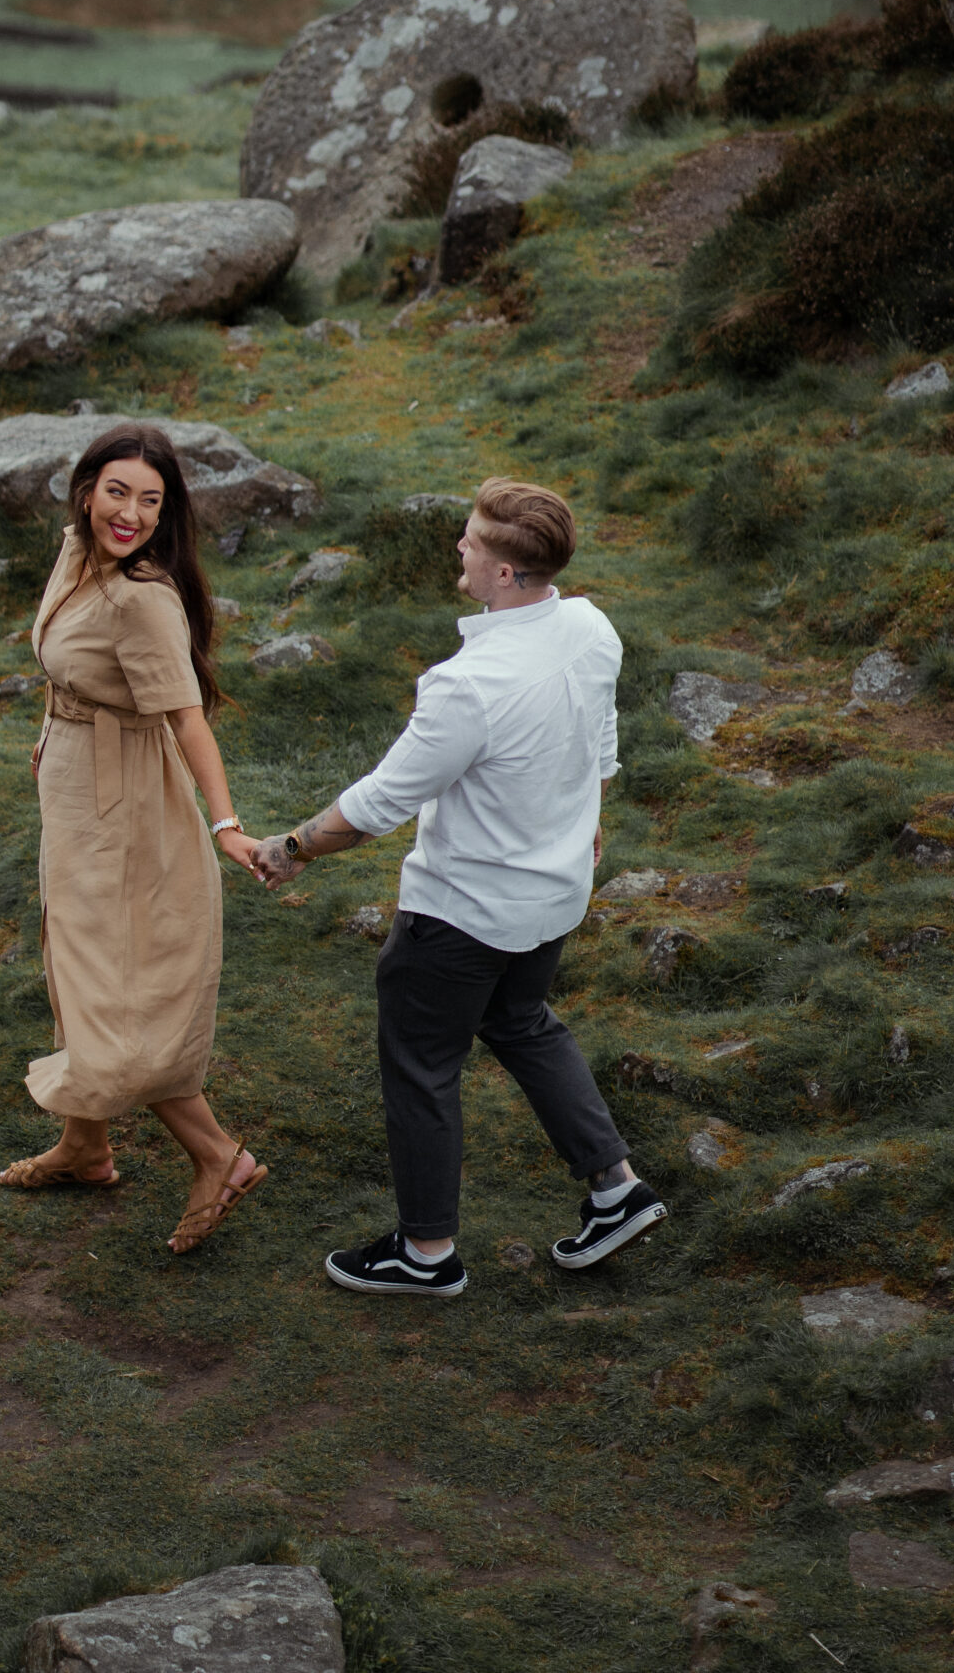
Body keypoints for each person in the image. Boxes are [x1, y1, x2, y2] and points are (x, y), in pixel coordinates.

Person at [254, 476, 666, 1297]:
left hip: (460, 917)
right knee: (520, 1021)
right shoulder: (589, 626)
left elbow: (379, 803)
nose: (460, 546)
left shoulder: (466, 687)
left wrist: (294, 845)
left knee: (420, 1065)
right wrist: (579, 826)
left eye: (473, 539)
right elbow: (601, 745)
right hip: (554, 896)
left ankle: (425, 1254)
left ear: (508, 573)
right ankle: (615, 1188)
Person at [0, 423, 269, 1255]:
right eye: (119, 491)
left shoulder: (140, 597)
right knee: (72, 960)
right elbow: (66, 666)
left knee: (111, 986)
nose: (132, 513)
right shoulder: (78, 549)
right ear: (85, 490)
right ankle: (86, 1147)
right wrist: (55, 733)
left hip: (125, 809)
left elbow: (189, 721)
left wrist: (224, 824)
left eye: (151, 501)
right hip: (77, 784)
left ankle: (218, 1155)